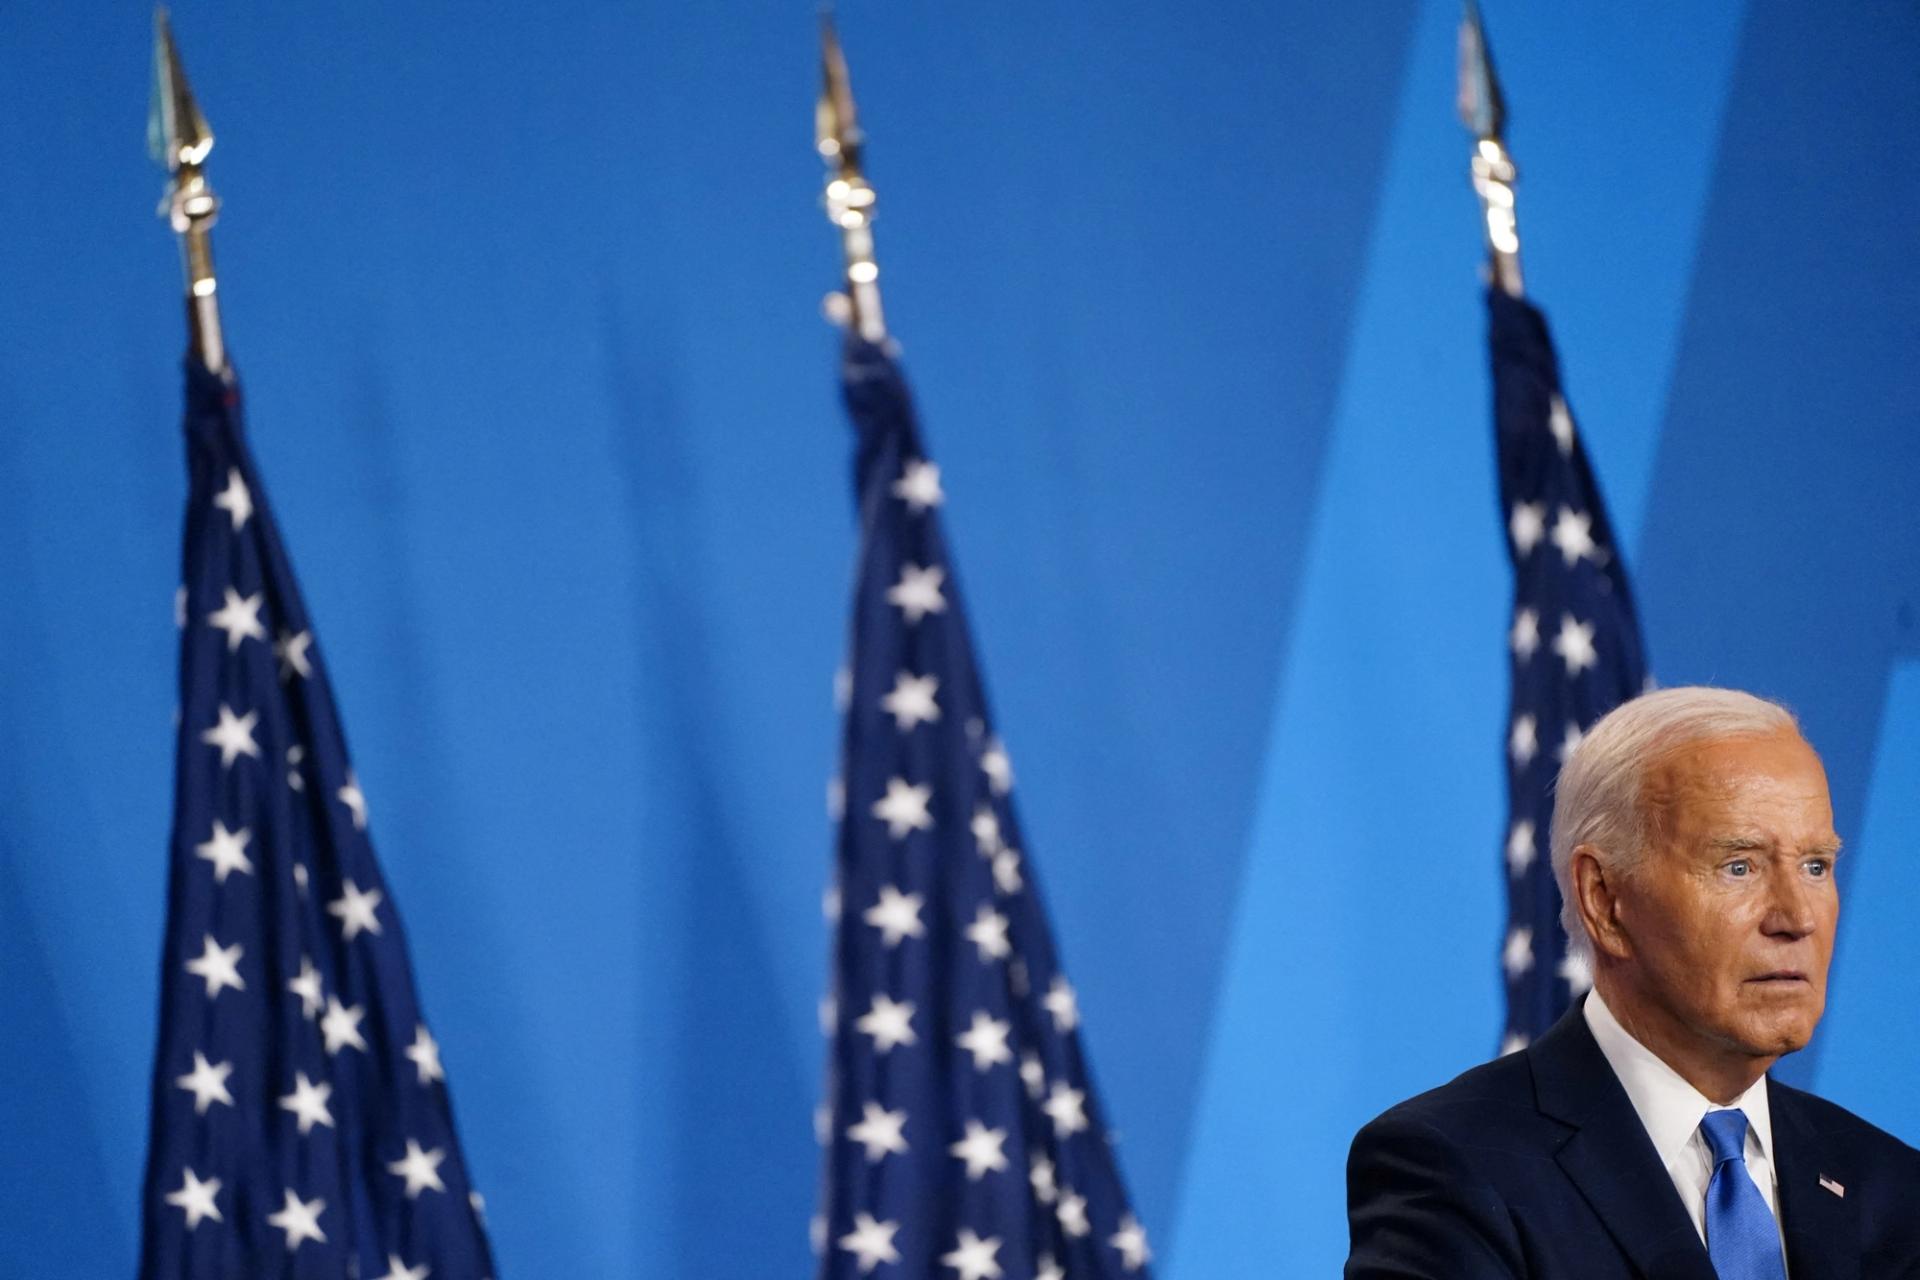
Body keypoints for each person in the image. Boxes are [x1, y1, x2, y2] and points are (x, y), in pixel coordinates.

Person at [1344, 687, 1920, 1279]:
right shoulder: (1456, 1166)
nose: (1797, 918)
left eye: (1815, 866)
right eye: (1739, 866)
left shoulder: (1892, 1188)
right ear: (1606, 901)